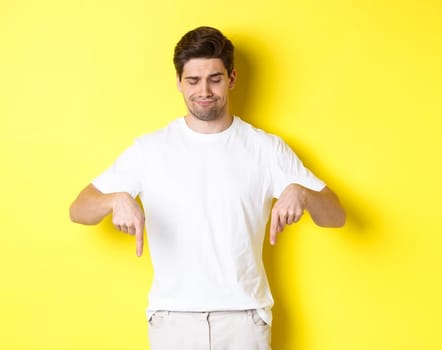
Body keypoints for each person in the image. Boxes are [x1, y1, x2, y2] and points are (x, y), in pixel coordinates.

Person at [68, 26, 346, 350]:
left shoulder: (265, 148)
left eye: (214, 78)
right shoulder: (150, 150)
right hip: (173, 320)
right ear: (178, 82)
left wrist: (303, 192)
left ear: (231, 78)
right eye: (193, 80)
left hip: (244, 319)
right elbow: (79, 209)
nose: (204, 90)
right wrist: (115, 200)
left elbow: (335, 216)